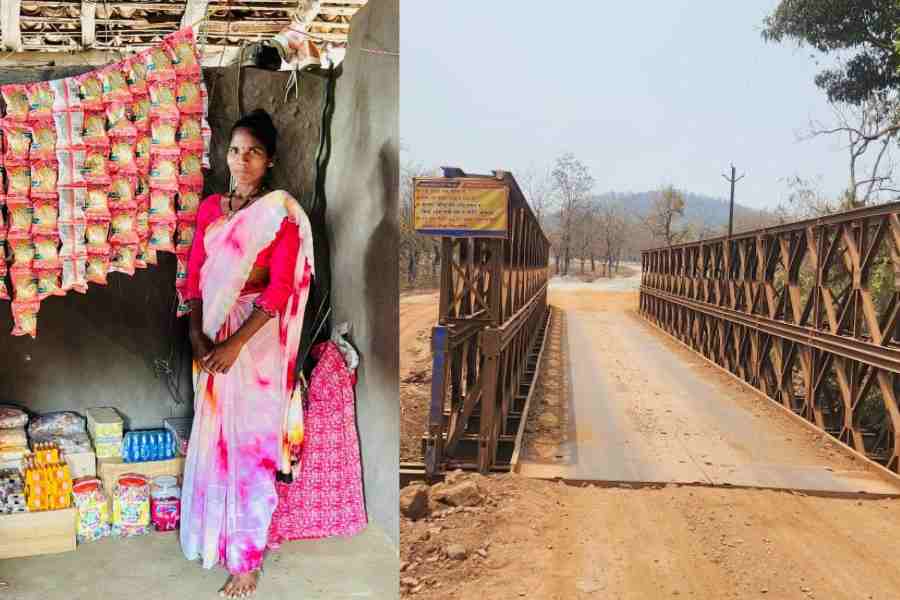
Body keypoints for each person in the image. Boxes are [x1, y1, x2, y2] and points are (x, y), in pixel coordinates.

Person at [179, 108, 314, 599]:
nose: (242, 160)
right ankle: (214, 534)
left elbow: (279, 290)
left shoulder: (280, 213)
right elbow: (195, 276)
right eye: (235, 150)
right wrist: (197, 335)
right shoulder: (211, 209)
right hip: (213, 335)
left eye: (254, 152)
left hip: (256, 345)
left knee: (251, 447)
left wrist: (236, 345)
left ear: (270, 160)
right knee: (215, 439)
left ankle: (247, 559)